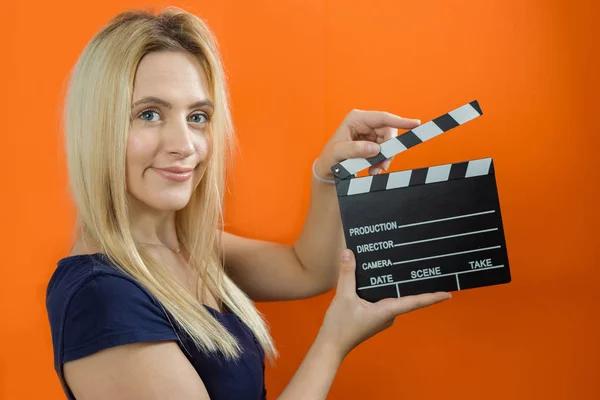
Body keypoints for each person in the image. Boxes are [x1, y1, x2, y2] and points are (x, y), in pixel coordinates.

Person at [45, 7, 451, 400]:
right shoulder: (100, 296)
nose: (185, 145)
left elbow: (307, 270)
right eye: (149, 114)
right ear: (98, 128)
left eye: (198, 116)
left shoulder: (192, 249)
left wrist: (328, 173)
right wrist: (333, 343)